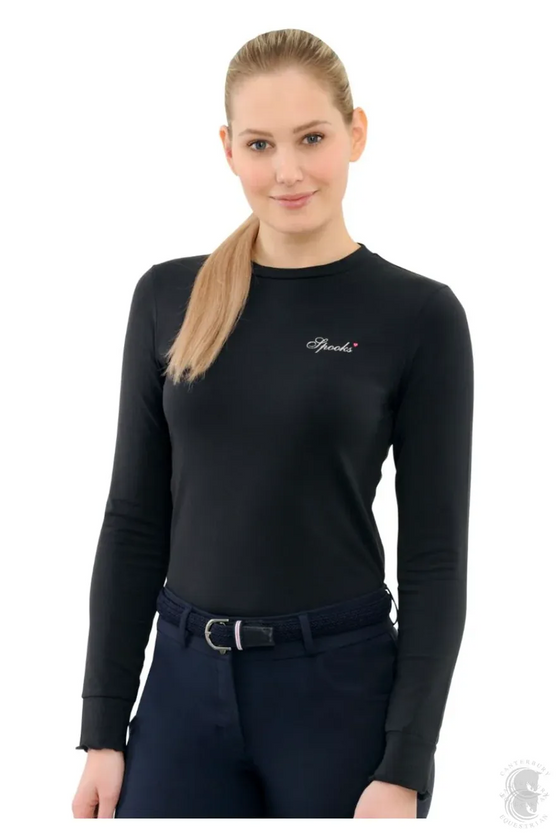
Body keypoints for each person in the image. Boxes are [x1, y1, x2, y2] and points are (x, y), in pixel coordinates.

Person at [71, 27, 474, 819]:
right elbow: (133, 520)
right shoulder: (167, 297)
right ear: (229, 149)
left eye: (312, 138)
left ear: (356, 133)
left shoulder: (418, 315)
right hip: (181, 691)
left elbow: (435, 559)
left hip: (338, 694)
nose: (287, 170)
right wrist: (103, 730)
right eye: (260, 144)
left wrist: (405, 762)